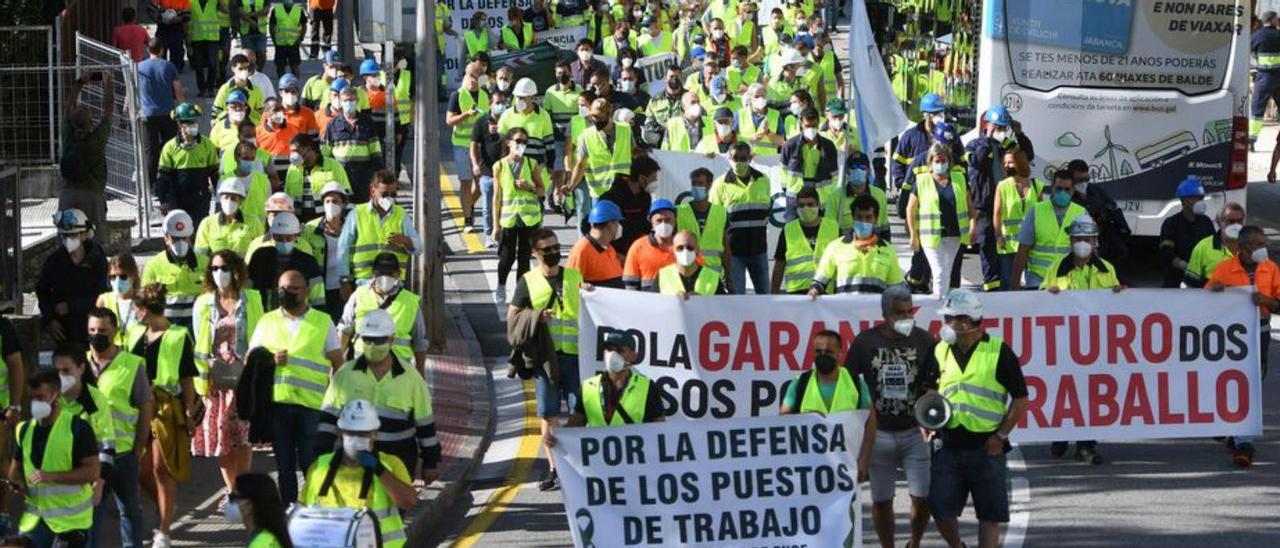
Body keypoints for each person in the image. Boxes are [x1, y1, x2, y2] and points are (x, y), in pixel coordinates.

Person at [927, 289, 1029, 548]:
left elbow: (1020, 400)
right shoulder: (940, 350)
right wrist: (927, 421)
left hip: (986, 446)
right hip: (947, 444)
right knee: (940, 509)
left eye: (948, 319)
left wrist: (1000, 436)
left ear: (965, 322)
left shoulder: (999, 352)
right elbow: (929, 391)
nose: (945, 325)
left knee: (989, 515)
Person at [847, 286, 938, 548]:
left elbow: (937, 380)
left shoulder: (925, 341)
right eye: (900, 313)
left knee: (922, 497)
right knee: (882, 500)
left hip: (915, 432)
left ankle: (915, 542)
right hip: (878, 435)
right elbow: (851, 385)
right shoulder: (865, 343)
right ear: (885, 314)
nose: (907, 317)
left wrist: (929, 415)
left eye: (910, 311)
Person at [248, 270, 344, 505]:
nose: (286, 293)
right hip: (279, 405)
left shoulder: (322, 321)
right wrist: (270, 359)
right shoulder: (267, 320)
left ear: (306, 291)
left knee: (312, 464)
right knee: (284, 466)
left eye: (292, 288)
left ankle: (314, 508)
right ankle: (289, 511)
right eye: (282, 288)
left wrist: (336, 404)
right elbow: (251, 359)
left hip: (313, 406)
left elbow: (338, 364)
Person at [1040, 216, 1124, 465]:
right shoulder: (1057, 267)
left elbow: (1118, 304)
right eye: (1078, 239)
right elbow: (1039, 303)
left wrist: (1121, 295)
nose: (1083, 243)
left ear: (1095, 241)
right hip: (1065, 343)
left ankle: (1085, 444)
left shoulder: (1106, 268)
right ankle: (1061, 434)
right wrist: (1049, 294)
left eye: (1087, 239)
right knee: (1065, 391)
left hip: (1096, 344)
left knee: (1090, 393)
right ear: (1071, 241)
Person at [319, 311, 439, 486]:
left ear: (391, 339)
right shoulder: (344, 375)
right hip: (354, 463)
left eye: (379, 340)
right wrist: (321, 456)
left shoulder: (411, 378)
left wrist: (431, 463)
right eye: (367, 339)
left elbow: (425, 424)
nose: (372, 345)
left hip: (398, 464)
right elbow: (327, 420)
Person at [507, 228, 582, 491]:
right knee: (549, 414)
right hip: (544, 359)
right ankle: (554, 468)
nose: (553, 252)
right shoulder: (527, 281)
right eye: (546, 249)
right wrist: (537, 317)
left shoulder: (575, 277)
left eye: (555, 247)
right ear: (535, 253)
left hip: (574, 357)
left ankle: (576, 465)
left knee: (579, 413)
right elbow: (513, 320)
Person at [126, 285, 198, 548]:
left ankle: (164, 531)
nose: (133, 313)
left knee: (161, 468)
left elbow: (187, 376)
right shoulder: (135, 333)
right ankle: (164, 505)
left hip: (165, 408)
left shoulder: (179, 336)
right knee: (139, 469)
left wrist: (189, 410)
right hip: (136, 407)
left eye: (136, 308)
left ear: (144, 309)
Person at [191, 250, 260, 504]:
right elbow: (200, 339)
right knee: (221, 440)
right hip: (214, 383)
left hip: (243, 379)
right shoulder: (203, 303)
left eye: (225, 268)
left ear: (236, 271)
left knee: (243, 438)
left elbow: (259, 335)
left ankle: (243, 489)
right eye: (215, 268)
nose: (220, 274)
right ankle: (231, 490)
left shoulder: (252, 299)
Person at [1206, 225, 1278, 467]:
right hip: (1231, 338)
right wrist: (1215, 293)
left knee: (1255, 380)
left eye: (1264, 243)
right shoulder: (1224, 269)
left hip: (1260, 332)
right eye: (1258, 244)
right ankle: (1243, 441)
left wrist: (1268, 301)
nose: (1263, 248)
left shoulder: (1271, 269)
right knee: (1237, 383)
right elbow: (1200, 304)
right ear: (1244, 247)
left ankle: (1237, 432)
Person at [299, 400, 415, 546]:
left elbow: (408, 503)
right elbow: (303, 517)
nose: (356, 438)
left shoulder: (390, 464)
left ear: (375, 434)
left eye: (364, 433)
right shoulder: (319, 468)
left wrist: (378, 469)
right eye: (351, 432)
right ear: (341, 433)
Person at [85, 307, 151, 548]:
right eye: (92, 330)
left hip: (123, 453)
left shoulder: (132, 364)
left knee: (130, 511)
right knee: (91, 515)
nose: (96, 335)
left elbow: (145, 409)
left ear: (114, 331)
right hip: (92, 456)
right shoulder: (80, 365)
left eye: (102, 330)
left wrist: (138, 449)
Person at [10, 369, 99, 548]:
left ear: (56, 396)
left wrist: (51, 476)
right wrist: (17, 481)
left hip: (70, 523)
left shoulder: (78, 428)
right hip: (34, 521)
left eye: (41, 398)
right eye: (32, 398)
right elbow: (15, 469)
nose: (35, 403)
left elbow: (92, 472)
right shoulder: (24, 429)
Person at [778, 330, 875, 480]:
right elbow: (783, 419)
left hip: (847, 464)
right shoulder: (800, 383)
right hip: (808, 466)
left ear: (839, 354)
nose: (823, 355)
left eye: (828, 352)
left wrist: (864, 460)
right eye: (818, 351)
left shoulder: (854, 382)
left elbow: (870, 421)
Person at [965, 106, 1027, 292]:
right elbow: (978, 162)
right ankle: (991, 285)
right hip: (984, 204)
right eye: (998, 127)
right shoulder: (974, 145)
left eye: (1003, 127)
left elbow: (1026, 155)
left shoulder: (1006, 145)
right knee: (987, 245)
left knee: (1003, 245)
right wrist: (987, 139)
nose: (1001, 131)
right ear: (989, 126)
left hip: (1006, 202)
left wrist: (1019, 134)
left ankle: (1003, 281)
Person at [553, 332, 668, 430]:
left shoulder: (647, 387)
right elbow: (576, 424)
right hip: (598, 454)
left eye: (620, 350)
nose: (612, 355)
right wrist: (558, 438)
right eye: (609, 349)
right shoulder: (588, 386)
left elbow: (659, 429)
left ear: (633, 356)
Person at [906, 143, 977, 298]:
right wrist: (913, 234)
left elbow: (970, 206)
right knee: (939, 271)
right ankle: (939, 304)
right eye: (936, 161)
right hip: (930, 236)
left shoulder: (959, 179)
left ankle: (945, 305)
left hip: (955, 235)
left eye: (943, 161)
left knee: (948, 270)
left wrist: (973, 226)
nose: (940, 164)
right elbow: (910, 208)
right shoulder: (922, 181)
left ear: (949, 162)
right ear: (930, 162)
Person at [338, 253, 428, 372]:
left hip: (398, 372)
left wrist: (420, 374)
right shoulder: (358, 296)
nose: (384, 278)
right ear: (373, 273)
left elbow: (420, 342)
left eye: (390, 274)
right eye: (380, 273)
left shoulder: (411, 302)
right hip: (361, 369)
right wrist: (336, 368)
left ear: (398, 275)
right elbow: (344, 331)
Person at [337, 170, 422, 288]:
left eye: (393, 195)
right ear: (373, 191)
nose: (389, 199)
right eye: (385, 194)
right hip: (365, 283)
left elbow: (419, 248)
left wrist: (406, 241)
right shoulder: (357, 214)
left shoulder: (402, 215)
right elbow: (343, 248)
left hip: (394, 284)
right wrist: (344, 281)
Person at [491, 128, 547, 304]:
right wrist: (495, 225)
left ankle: (520, 293)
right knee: (507, 257)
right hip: (509, 218)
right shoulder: (499, 166)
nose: (521, 145)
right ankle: (501, 285)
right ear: (508, 142)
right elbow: (497, 197)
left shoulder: (531, 163)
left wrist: (529, 186)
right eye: (517, 141)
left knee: (524, 258)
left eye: (524, 142)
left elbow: (541, 189)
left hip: (529, 219)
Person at [38, 210, 108, 346]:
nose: (68, 239)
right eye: (64, 235)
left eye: (72, 235)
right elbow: (42, 291)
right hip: (65, 332)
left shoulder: (97, 259)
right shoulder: (55, 261)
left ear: (84, 235)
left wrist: (71, 306)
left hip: (92, 327)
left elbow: (102, 294)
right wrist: (50, 319)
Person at [810, 194, 903, 295]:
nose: (863, 221)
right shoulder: (836, 247)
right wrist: (814, 291)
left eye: (868, 217)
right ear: (853, 218)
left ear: (875, 220)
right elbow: (819, 281)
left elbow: (897, 289)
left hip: (875, 310)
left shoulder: (888, 250)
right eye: (859, 217)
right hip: (844, 310)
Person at [710, 142, 771, 294]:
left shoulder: (763, 180)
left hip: (759, 250)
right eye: (734, 158)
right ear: (728, 158)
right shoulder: (720, 184)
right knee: (737, 300)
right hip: (733, 253)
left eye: (743, 158)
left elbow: (766, 213)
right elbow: (715, 221)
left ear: (750, 158)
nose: (738, 162)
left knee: (765, 297)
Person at [1011, 170, 1086, 291]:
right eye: (1059, 188)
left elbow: (1090, 253)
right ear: (1052, 188)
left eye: (1067, 189)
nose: (1063, 193)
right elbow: (1022, 252)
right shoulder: (1036, 211)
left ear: (1073, 190)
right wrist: (1014, 289)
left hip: (1069, 282)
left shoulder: (1081, 214)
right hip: (1038, 282)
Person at [563, 98, 632, 229]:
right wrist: (571, 185)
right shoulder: (586, 136)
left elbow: (635, 153)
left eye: (598, 117)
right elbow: (580, 164)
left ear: (609, 115)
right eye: (592, 116)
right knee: (601, 230)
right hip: (600, 193)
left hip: (623, 190)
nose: (594, 120)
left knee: (624, 230)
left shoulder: (626, 130)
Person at [60, 71, 114, 230]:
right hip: (92, 193)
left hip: (68, 194)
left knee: (67, 240)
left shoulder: (68, 137)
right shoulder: (97, 140)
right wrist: (108, 85)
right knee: (94, 242)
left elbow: (68, 106)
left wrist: (79, 83)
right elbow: (108, 112)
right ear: (91, 123)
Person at [141, 211, 208, 331]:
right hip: (166, 327)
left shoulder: (205, 263)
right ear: (166, 238)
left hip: (197, 326)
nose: (180, 243)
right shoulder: (154, 265)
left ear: (190, 237)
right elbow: (145, 301)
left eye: (184, 238)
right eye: (175, 238)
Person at [247, 212, 326, 312]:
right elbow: (247, 291)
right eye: (279, 238)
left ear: (296, 236)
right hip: (263, 318)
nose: (284, 242)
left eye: (288, 238)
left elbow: (318, 299)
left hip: (296, 319)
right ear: (273, 236)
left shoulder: (308, 262)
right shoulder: (259, 257)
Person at [156, 103, 220, 223]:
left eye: (192, 121)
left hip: (200, 199)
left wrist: (220, 198)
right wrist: (163, 201)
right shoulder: (170, 147)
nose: (190, 125)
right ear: (179, 124)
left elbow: (215, 173)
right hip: (177, 199)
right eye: (186, 122)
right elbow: (162, 177)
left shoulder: (207, 145)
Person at [991, 150, 1044, 290]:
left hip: (1031, 242)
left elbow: (1041, 212)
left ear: (1020, 163)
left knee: (1032, 280)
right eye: (1005, 163)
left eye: (1011, 162)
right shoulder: (1002, 186)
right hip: (1009, 242)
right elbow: (997, 213)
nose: (1007, 166)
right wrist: (998, 235)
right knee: (1009, 280)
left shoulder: (1037, 185)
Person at [323, 87, 384, 202]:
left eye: (352, 100)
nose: (349, 103)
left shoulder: (368, 122)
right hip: (340, 174)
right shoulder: (333, 125)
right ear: (340, 102)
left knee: (362, 208)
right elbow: (326, 152)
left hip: (363, 175)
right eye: (345, 100)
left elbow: (375, 150)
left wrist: (379, 174)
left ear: (357, 100)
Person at [775, 186, 838, 294]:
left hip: (825, 291)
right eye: (801, 205)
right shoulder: (788, 230)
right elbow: (779, 265)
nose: (806, 208)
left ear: (818, 204)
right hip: (796, 293)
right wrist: (773, 296)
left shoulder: (834, 227)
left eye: (810, 204)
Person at [138, 39, 184, 186]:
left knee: (150, 151)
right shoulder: (169, 66)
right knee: (170, 146)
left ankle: (149, 184)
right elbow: (178, 92)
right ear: (162, 50)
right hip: (167, 113)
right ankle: (169, 180)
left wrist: (128, 104)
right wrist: (183, 110)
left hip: (147, 115)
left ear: (148, 50)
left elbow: (133, 88)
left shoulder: (139, 67)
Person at [448, 72, 489, 234]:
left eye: (476, 76)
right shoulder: (456, 95)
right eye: (470, 76)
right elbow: (449, 121)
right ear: (464, 77)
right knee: (465, 182)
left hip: (481, 145)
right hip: (462, 145)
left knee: (481, 183)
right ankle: (467, 218)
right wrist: (465, 115)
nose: (473, 79)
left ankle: (468, 205)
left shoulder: (486, 95)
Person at [1065, 159, 1129, 262]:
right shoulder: (1067, 197)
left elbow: (1111, 204)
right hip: (1083, 242)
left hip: (1106, 239)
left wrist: (1104, 214)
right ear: (1071, 179)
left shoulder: (1095, 190)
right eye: (1079, 180)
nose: (1083, 183)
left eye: (1086, 179)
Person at [304, 182, 351, 319]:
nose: (331, 205)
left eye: (335, 201)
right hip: (318, 289)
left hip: (343, 289)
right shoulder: (309, 229)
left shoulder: (351, 228)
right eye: (327, 201)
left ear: (343, 204)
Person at [1158, 177, 1215, 288]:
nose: (1199, 202)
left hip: (1201, 282)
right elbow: (1166, 254)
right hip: (1176, 281)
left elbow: (1213, 249)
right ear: (1184, 200)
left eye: (1200, 198)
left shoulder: (1206, 222)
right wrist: (1185, 266)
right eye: (1194, 198)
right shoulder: (1171, 224)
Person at [779, 107, 840, 211]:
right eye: (807, 126)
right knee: (792, 226)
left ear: (819, 123)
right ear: (801, 124)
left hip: (822, 199)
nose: (811, 129)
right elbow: (783, 173)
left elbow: (835, 175)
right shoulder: (790, 146)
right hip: (795, 198)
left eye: (814, 126)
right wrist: (790, 192)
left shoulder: (828, 146)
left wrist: (829, 194)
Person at [675, 168, 730, 280]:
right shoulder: (679, 211)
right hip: (687, 274)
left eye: (700, 183)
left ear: (709, 185)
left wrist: (729, 278)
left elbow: (726, 248)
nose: (696, 187)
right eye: (693, 183)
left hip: (713, 276)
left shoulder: (720, 213)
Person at [601, 155, 660, 255]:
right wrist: (611, 253)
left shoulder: (645, 197)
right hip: (616, 254)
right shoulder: (611, 198)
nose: (655, 182)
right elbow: (589, 227)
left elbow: (643, 225)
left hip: (637, 251)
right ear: (642, 178)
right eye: (653, 178)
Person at [285, 133, 351, 221]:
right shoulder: (292, 168)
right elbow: (287, 195)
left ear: (308, 149)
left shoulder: (333, 165)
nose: (293, 155)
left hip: (325, 217)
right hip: (299, 218)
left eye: (296, 151)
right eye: (292, 151)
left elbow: (346, 193)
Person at [892, 93, 946, 197]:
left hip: (942, 190)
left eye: (940, 112)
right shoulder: (911, 136)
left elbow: (960, 161)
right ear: (925, 114)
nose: (939, 116)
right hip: (916, 192)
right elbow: (898, 161)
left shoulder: (948, 135)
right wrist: (903, 184)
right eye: (934, 113)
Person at [498, 78, 556, 176]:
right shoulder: (507, 114)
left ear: (532, 97)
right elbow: (500, 143)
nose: (518, 100)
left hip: (537, 168)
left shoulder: (543, 115)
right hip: (513, 168)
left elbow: (549, 143)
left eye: (522, 98)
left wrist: (550, 166)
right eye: (517, 97)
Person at [471, 94, 507, 247]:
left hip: (505, 172)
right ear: (490, 104)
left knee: (504, 205)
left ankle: (502, 233)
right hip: (487, 172)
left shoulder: (507, 120)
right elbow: (473, 145)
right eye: (497, 103)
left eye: (503, 103)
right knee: (488, 206)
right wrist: (475, 164)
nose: (500, 105)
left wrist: (501, 132)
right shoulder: (481, 122)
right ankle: (488, 234)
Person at [194, 179, 264, 258]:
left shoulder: (254, 222)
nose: (229, 201)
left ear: (241, 201)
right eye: (226, 197)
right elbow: (200, 256)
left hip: (245, 269)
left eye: (233, 198)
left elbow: (261, 252)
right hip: (218, 269)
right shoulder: (207, 223)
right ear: (220, 198)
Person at [566, 200, 626, 289]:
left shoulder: (608, 247)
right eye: (617, 222)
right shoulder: (581, 250)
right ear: (610, 225)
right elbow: (570, 283)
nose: (619, 227)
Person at [623, 199, 678, 291]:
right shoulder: (638, 247)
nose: (663, 224)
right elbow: (630, 284)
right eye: (659, 221)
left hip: (678, 302)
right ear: (651, 222)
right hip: (648, 303)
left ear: (675, 220)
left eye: (668, 220)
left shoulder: (684, 245)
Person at [1185, 203, 1245, 287]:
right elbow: (1190, 284)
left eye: (1239, 221)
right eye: (1230, 221)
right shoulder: (1203, 247)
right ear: (1219, 222)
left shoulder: (1251, 245)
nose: (1235, 225)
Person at [225, 473, 292, 547]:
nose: (229, 502)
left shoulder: (258, 544)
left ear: (249, 504)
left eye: (233, 497)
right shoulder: (273, 535)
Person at [658, 230, 725, 296]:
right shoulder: (662, 275)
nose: (685, 251)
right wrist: (674, 301)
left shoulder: (713, 276)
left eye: (690, 248)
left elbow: (723, 305)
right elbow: (653, 304)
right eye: (680, 248)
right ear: (673, 250)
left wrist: (703, 301)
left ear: (697, 250)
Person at [98, 253, 142, 347]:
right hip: (113, 355)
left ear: (133, 276)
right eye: (113, 277)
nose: (117, 281)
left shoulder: (143, 300)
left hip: (138, 354)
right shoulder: (103, 300)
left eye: (123, 276)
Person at [1251, 11, 1280, 147]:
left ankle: (1251, 139)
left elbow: (1249, 53)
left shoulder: (1257, 35)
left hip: (1264, 78)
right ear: (1272, 20)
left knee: (1257, 110)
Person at [187, 0, 221, 97]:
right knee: (198, 65)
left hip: (212, 38)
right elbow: (187, 18)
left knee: (213, 64)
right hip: (196, 38)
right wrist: (187, 36)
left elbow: (226, 10)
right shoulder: (191, 2)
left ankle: (210, 88)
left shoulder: (214, 1)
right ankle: (202, 89)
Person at [267, 0, 306, 78]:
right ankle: (282, 82)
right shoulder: (276, 10)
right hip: (280, 43)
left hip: (294, 43)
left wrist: (300, 38)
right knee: (280, 66)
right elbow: (271, 26)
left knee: (294, 65)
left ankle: (295, 83)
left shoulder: (298, 10)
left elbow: (304, 25)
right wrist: (274, 39)